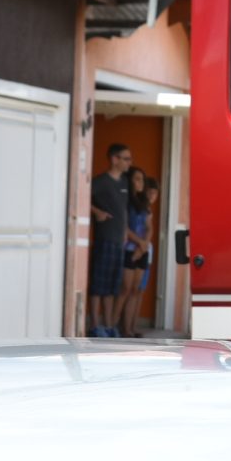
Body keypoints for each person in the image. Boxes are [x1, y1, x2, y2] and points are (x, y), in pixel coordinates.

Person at [87, 142, 132, 336]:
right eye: (126, 158)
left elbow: (124, 210)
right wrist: (97, 212)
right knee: (99, 284)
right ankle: (96, 325)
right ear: (114, 159)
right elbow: (82, 197)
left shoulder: (124, 182)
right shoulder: (100, 181)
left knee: (113, 286)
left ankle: (108, 325)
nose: (130, 162)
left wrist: (124, 232)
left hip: (118, 241)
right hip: (104, 238)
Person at [120, 166, 155, 337]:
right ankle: (115, 327)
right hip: (129, 249)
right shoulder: (125, 202)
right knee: (125, 289)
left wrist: (142, 247)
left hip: (141, 251)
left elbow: (149, 227)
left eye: (142, 179)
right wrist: (141, 244)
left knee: (135, 290)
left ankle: (129, 329)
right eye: (137, 179)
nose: (141, 183)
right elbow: (125, 228)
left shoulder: (144, 203)